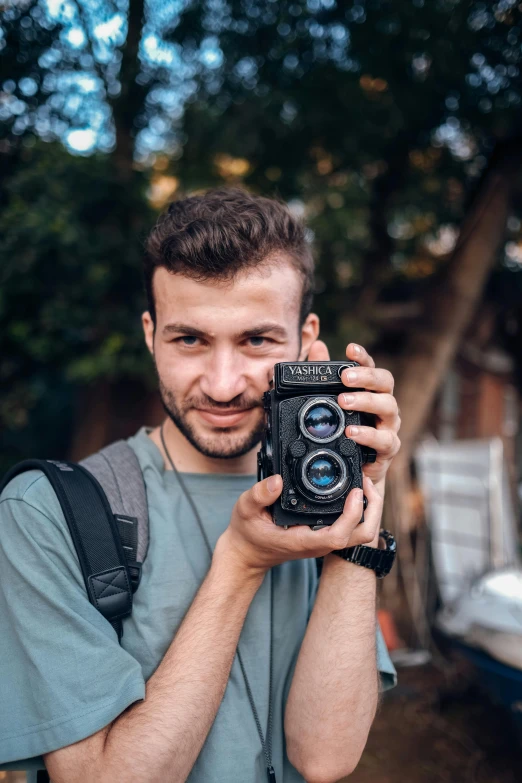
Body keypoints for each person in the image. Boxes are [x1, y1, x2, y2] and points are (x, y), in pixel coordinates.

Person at [0, 188, 400, 783]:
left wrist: (362, 493)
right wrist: (239, 563)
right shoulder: (44, 513)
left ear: (304, 341)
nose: (220, 384)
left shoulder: (326, 501)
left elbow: (324, 757)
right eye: (189, 339)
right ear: (149, 333)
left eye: (256, 340)